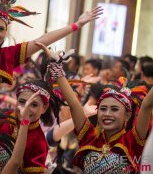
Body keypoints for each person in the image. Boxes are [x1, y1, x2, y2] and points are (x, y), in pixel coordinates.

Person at [36, 42, 152, 174]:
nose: (107, 113)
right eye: (103, 109)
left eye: (114, 109)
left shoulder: (133, 140)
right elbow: (73, 103)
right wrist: (57, 69)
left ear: (128, 114)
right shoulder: (89, 136)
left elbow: (147, 105)